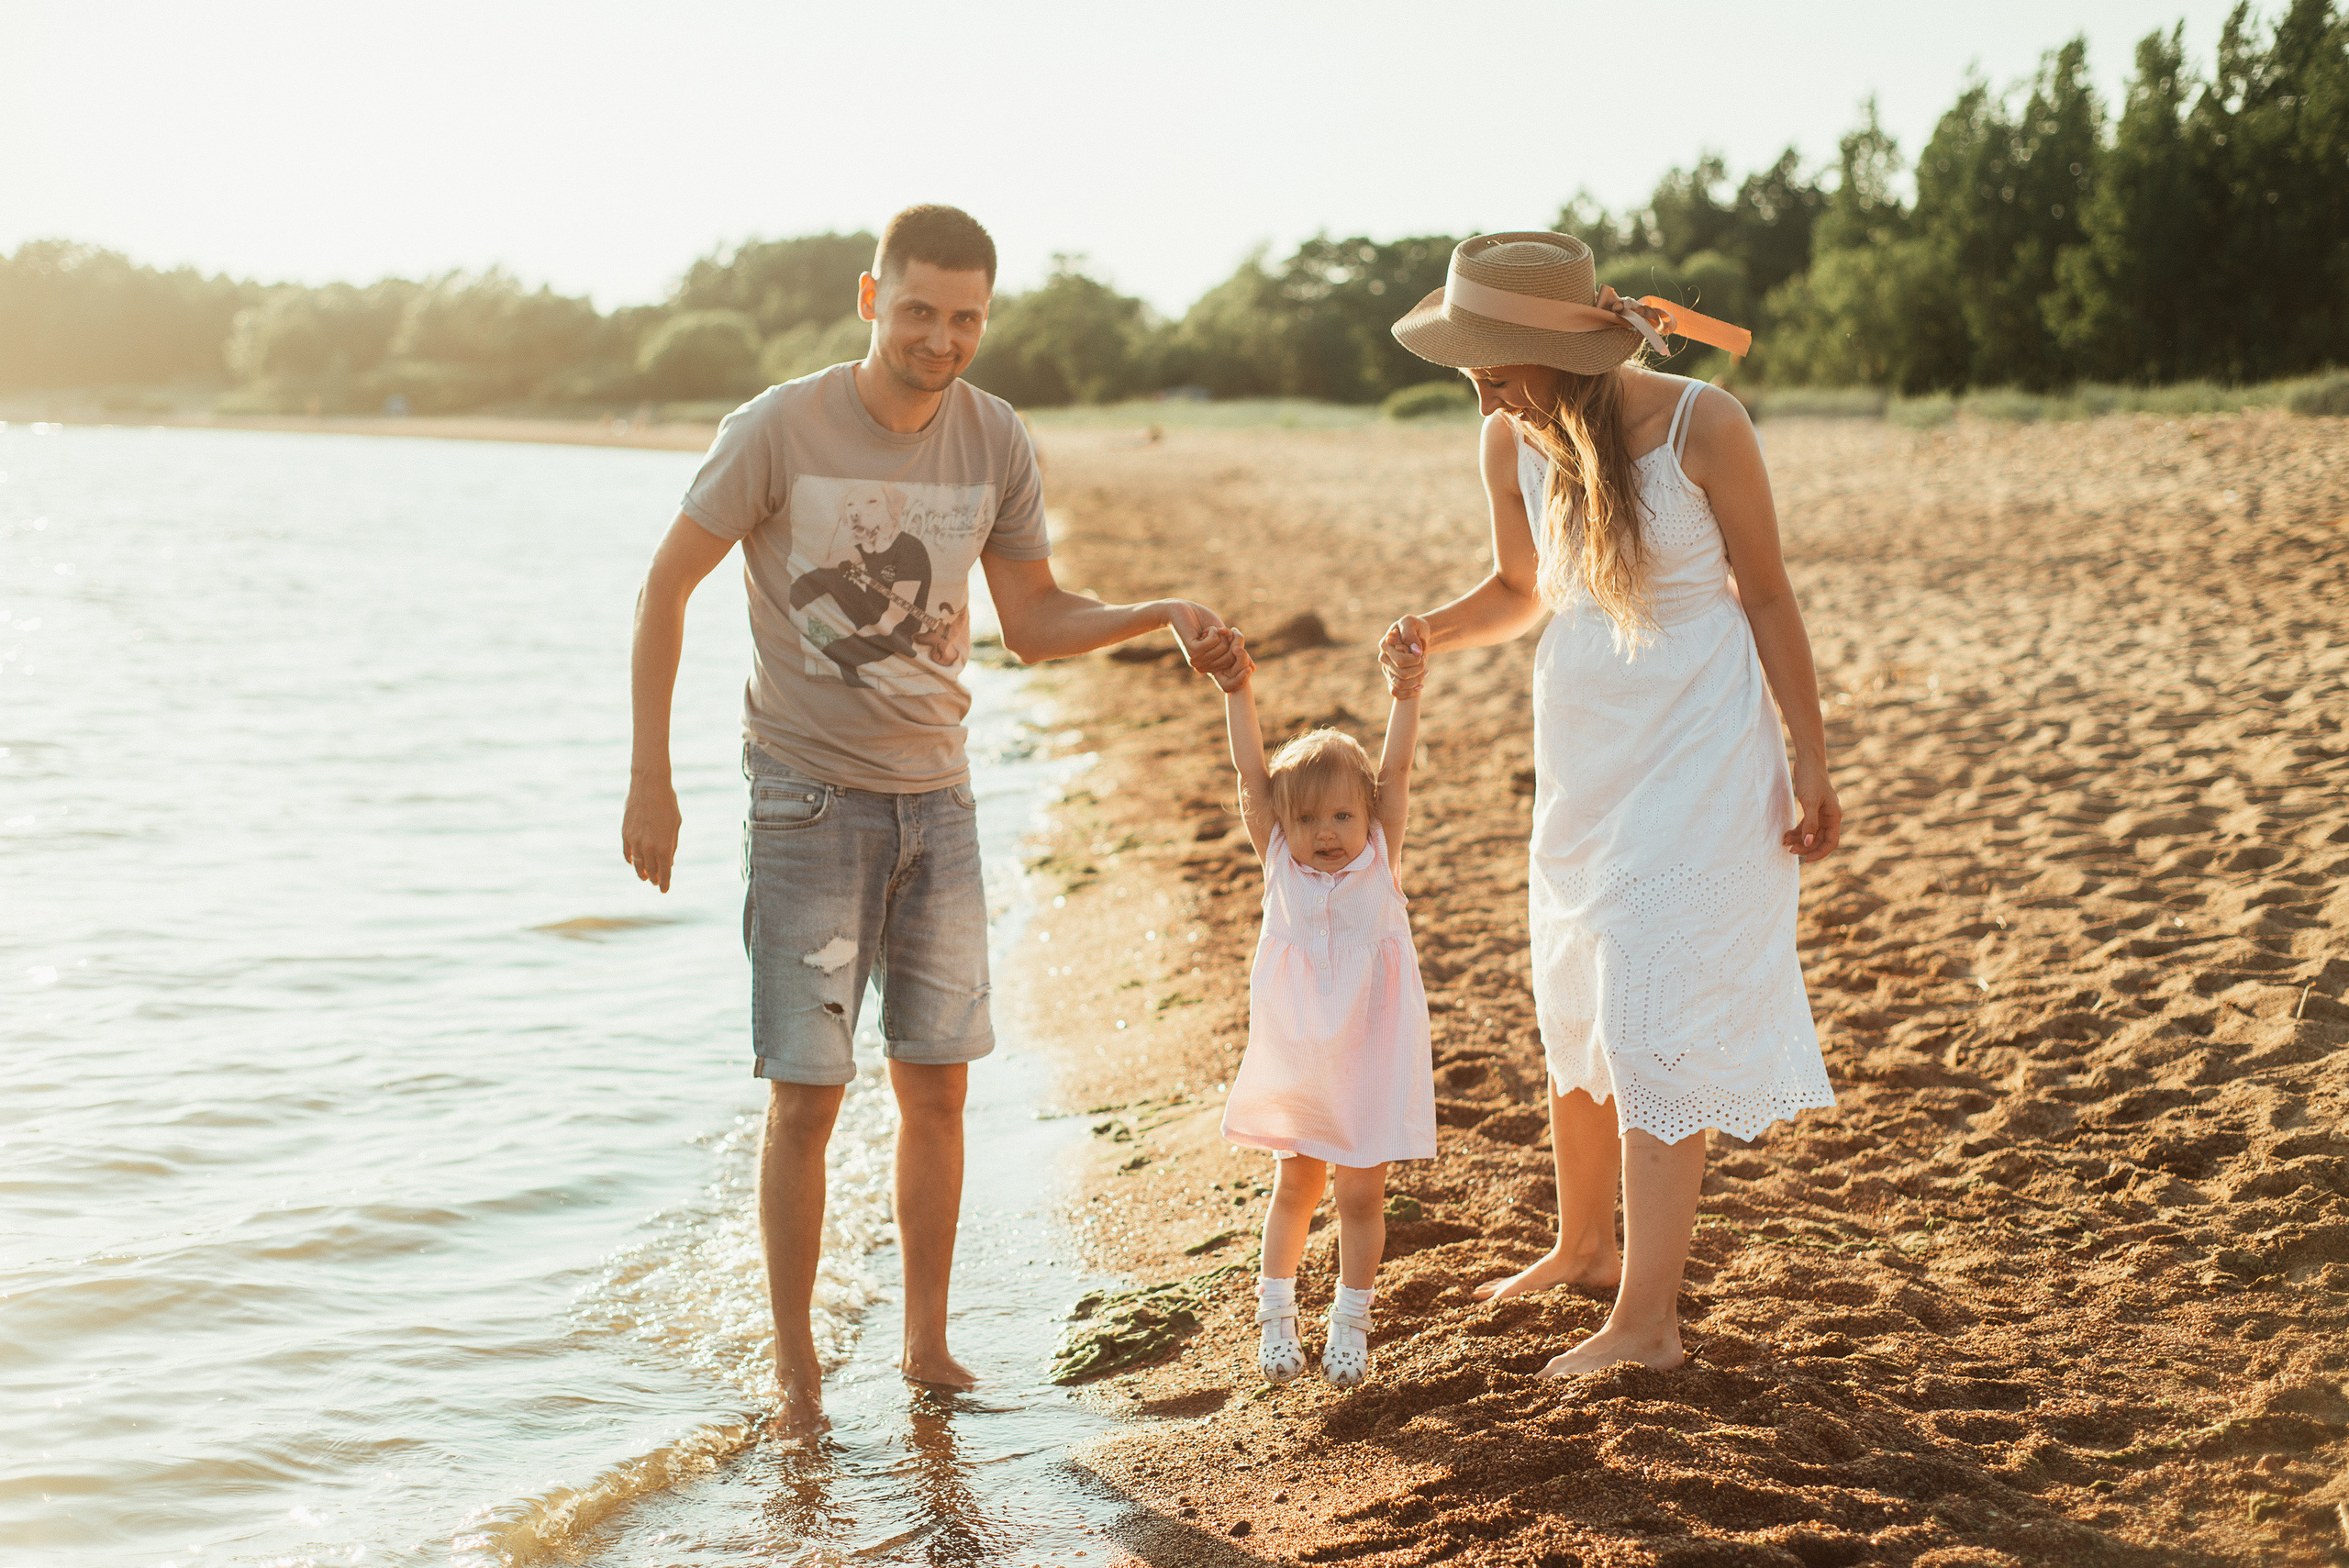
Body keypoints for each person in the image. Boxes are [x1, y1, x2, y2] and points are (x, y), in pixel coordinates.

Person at [619, 205, 1234, 1433]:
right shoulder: (778, 428)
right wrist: (651, 776)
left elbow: (1038, 616)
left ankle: (927, 1341)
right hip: (804, 797)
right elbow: (665, 586)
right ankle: (796, 1376)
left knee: (939, 1089)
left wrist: (1153, 610)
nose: (940, 338)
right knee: (807, 1092)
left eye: (965, 318)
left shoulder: (994, 437)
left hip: (939, 803)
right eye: (918, 311)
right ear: (871, 298)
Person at [1379, 231, 1842, 1377]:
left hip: (1703, 738)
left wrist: (1813, 756)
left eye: (1492, 357)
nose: (1476, 382)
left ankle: (1646, 1322)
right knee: (1578, 983)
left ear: (1555, 346)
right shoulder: (1507, 436)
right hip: (1586, 740)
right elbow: (1521, 589)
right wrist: (1433, 626)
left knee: (1650, 1001)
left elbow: (1770, 594)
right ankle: (1582, 1245)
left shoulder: (1703, 424)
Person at [1208, 626, 1436, 1388]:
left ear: (1367, 817)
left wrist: (1405, 695)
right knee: (1297, 1183)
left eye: (1341, 816)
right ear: (1284, 825)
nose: (1325, 834)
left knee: (1363, 1193)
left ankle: (1351, 1319)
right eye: (1306, 822)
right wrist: (1238, 691)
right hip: (1303, 1051)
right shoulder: (1279, 864)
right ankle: (1276, 1313)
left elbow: (1397, 767)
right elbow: (1249, 774)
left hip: (1368, 1048)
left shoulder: (1380, 857)